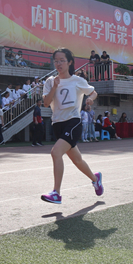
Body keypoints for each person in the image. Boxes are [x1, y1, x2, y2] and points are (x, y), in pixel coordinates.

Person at [41, 48, 103, 204]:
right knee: (77, 160)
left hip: (73, 122)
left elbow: (93, 92)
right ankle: (95, 179)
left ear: (69, 62)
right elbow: (46, 103)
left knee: (56, 152)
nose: (59, 64)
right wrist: (54, 87)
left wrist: (91, 99)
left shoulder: (77, 80)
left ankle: (56, 193)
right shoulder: (50, 81)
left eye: (62, 60)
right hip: (58, 124)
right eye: (56, 61)